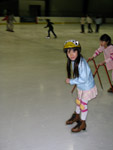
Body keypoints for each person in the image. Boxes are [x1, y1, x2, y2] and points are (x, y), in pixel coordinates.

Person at [63, 40, 98, 133]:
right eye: (68, 52)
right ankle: (77, 116)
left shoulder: (81, 63)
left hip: (87, 87)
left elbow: (83, 78)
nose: (71, 54)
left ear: (78, 51)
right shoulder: (75, 61)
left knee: (83, 105)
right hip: (81, 86)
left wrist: (71, 81)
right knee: (78, 101)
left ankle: (82, 123)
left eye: (74, 51)